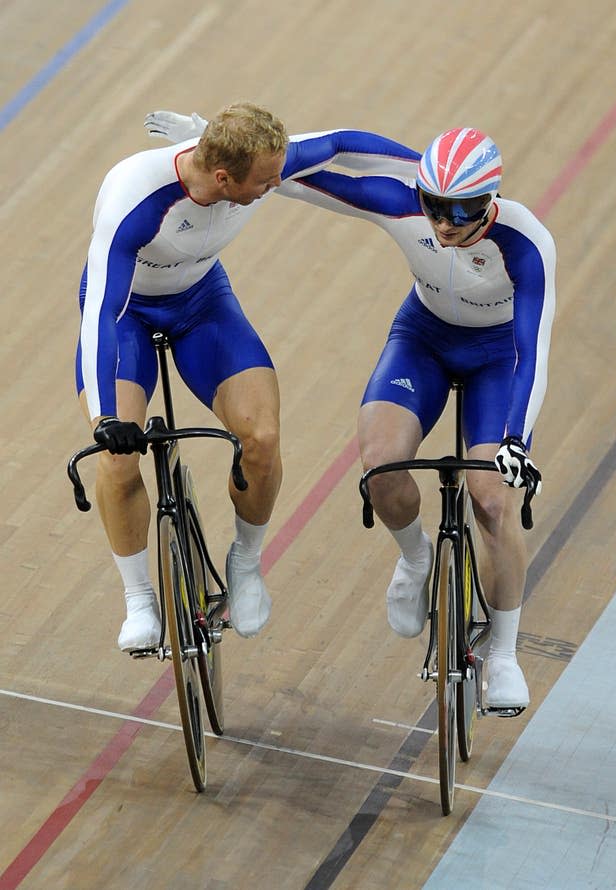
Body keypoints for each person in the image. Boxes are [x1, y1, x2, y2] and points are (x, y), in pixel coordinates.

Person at [149, 113, 555, 710]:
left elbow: (533, 349)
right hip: (424, 338)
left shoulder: (526, 243)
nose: (444, 224)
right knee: (380, 470)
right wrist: (215, 138)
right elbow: (293, 176)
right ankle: (418, 559)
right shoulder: (405, 206)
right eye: (434, 206)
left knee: (492, 502)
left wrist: (515, 438)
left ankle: (503, 654)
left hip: (501, 359)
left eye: (462, 212)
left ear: (490, 201)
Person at [76, 101, 420, 652]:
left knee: (260, 438)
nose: (277, 185)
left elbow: (342, 139)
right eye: (265, 181)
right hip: (126, 315)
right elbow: (101, 313)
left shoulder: (256, 162)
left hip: (202, 303)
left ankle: (245, 560)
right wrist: (106, 419)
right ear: (222, 177)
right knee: (118, 458)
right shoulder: (135, 197)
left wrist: (429, 174)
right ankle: (139, 597)